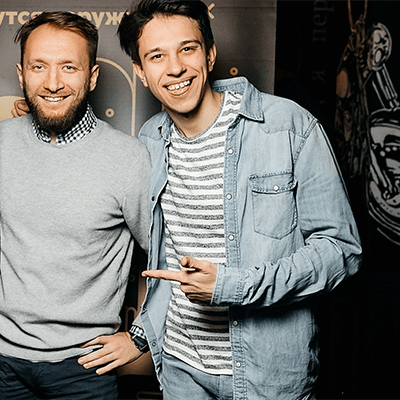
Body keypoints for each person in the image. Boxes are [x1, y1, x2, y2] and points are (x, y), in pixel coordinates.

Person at [116, 1, 362, 398]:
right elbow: (166, 257)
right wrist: (141, 335)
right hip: (180, 371)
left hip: (269, 375)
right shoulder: (151, 139)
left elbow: (341, 251)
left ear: (210, 54)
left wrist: (233, 286)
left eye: (187, 48)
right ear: (141, 72)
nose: (175, 67)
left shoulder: (288, 126)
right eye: (156, 56)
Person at [0, 11, 151, 400]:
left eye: (69, 67)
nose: (53, 82)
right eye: (39, 67)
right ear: (22, 75)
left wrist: (141, 337)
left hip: (85, 370)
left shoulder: (128, 159)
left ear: (92, 77)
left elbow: (169, 257)